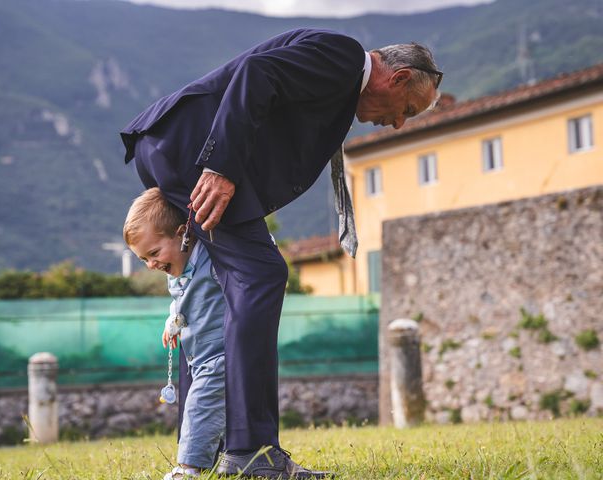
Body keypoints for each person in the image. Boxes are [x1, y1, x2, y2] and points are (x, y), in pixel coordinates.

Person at [120, 28, 441, 478]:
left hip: (173, 144)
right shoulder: (343, 57)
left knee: (215, 294)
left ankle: (203, 451)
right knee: (262, 275)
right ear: (399, 77)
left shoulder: (342, 82)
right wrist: (223, 165)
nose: (399, 123)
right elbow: (257, 73)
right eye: (407, 110)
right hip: (192, 150)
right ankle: (253, 454)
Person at [123, 187, 226, 480]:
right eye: (144, 260)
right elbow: (179, 300)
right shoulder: (175, 272)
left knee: (200, 407)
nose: (152, 265)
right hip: (198, 358)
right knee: (214, 412)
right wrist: (173, 321)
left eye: (154, 253)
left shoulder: (209, 255)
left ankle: (189, 468)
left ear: (182, 234)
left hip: (219, 355)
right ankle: (225, 458)